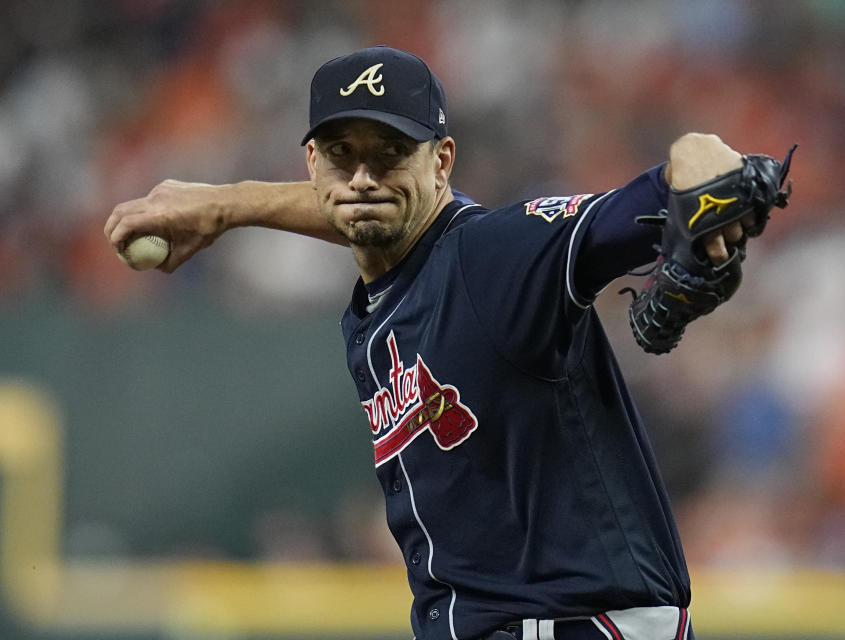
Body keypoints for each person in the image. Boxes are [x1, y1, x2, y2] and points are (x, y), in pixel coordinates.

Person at [106, 45, 762, 640]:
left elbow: (703, 159)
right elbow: (362, 206)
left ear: (442, 159)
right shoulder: (388, 289)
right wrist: (226, 205)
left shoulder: (494, 256)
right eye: (341, 153)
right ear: (312, 162)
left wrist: (712, 194)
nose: (363, 176)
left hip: (573, 625)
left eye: (391, 152)